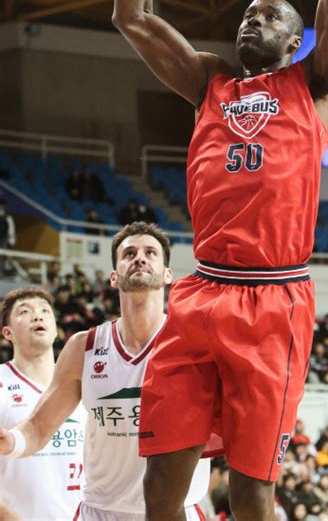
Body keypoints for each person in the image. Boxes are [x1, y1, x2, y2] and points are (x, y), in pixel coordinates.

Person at [112, 0, 328, 520]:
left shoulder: (315, 83)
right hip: (201, 292)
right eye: (247, 13)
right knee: (162, 483)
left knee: (252, 490)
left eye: (270, 13)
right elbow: (131, 18)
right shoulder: (211, 82)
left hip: (274, 301)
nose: (251, 18)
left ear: (296, 38)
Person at [0, 222, 209, 520]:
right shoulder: (83, 347)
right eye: (129, 253)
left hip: (178, 510)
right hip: (102, 511)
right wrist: (13, 442)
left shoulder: (192, 341)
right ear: (114, 277)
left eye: (150, 252)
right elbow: (37, 427)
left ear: (167, 275)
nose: (140, 258)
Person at [0, 286, 86, 520]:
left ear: (56, 330)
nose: (38, 315)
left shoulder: (84, 382)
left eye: (45, 311)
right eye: (24, 312)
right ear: (7, 332)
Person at [0, 197, 16, 276]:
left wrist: (12, 239)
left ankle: (2, 272)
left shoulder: (7, 216)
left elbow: (11, 228)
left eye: (2, 205)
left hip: (4, 237)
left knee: (3, 255)